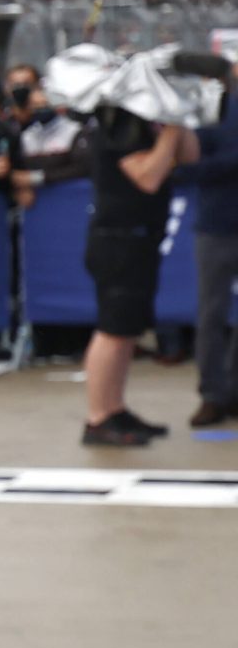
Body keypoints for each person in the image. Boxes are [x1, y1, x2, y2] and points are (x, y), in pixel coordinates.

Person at [80, 104, 198, 446]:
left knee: (128, 329)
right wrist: (172, 132)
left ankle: (115, 408)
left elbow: (190, 156)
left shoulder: (148, 123)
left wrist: (178, 119)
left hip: (142, 238)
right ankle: (98, 417)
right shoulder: (118, 122)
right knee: (112, 330)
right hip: (118, 240)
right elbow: (148, 177)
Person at [185, 87, 238, 427]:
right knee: (211, 314)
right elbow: (188, 166)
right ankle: (212, 394)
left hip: (217, 220)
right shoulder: (210, 108)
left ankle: (233, 391)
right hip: (217, 225)